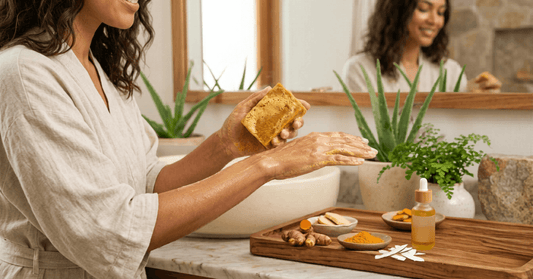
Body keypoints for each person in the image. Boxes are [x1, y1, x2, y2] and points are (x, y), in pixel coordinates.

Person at [0, 0, 377, 278]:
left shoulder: (99, 72)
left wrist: (226, 146)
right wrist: (267, 165)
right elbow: (108, 227)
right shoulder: (25, 73)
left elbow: (146, 186)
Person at [342, 0, 473, 93]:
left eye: (440, 12)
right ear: (397, 11)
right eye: (423, 9)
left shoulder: (450, 71)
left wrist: (477, 94)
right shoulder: (360, 69)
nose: (434, 21)